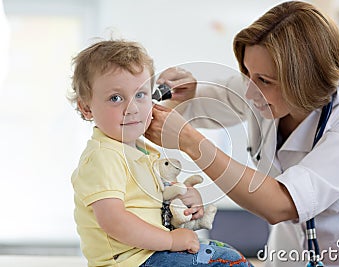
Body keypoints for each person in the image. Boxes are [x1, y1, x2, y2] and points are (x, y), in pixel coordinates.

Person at [145, 1, 339, 266]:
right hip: (289, 252)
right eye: (247, 73)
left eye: (264, 81)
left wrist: (190, 142)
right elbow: (202, 102)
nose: (249, 92)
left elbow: (281, 204)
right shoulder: (259, 87)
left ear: (305, 79)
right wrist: (187, 91)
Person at [68, 39, 253, 267]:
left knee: (228, 255)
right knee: (225, 262)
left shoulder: (146, 152)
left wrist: (185, 198)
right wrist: (169, 240)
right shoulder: (104, 156)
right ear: (86, 108)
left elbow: (159, 204)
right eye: (115, 98)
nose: (132, 108)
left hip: (152, 254)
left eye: (140, 95)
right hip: (132, 261)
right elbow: (114, 221)